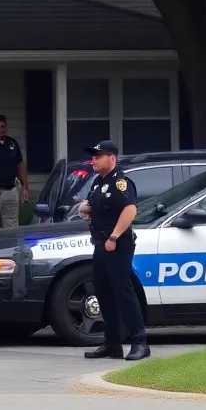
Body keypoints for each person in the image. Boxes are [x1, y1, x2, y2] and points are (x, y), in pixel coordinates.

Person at [77, 140, 150, 361]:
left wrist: (114, 236)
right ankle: (112, 344)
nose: (93, 161)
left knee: (123, 292)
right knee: (104, 294)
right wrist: (85, 208)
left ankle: (139, 342)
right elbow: (92, 205)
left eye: (97, 157)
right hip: (101, 243)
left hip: (117, 244)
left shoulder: (120, 183)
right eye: (92, 157)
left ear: (112, 158)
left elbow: (129, 210)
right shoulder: (98, 183)